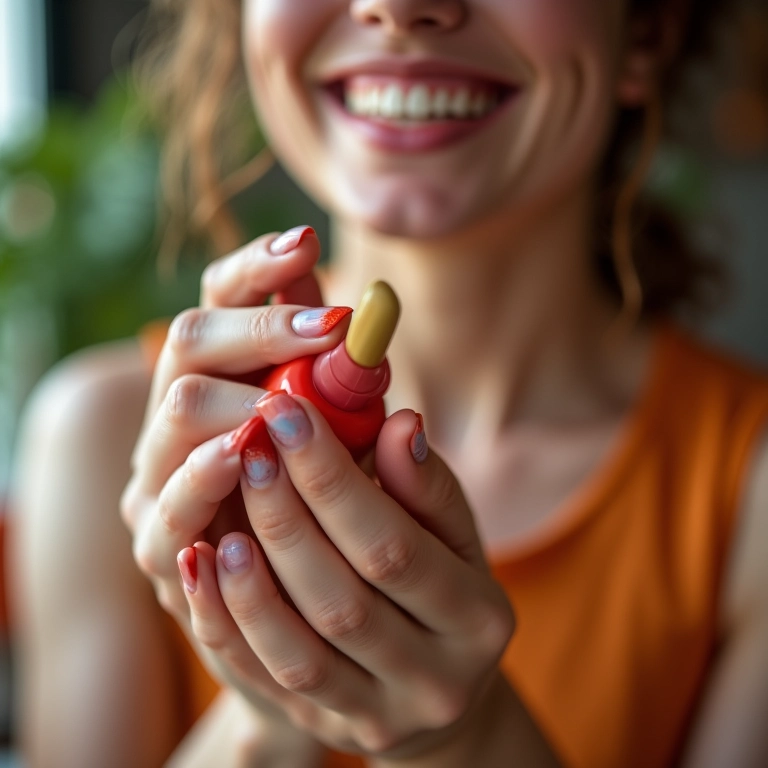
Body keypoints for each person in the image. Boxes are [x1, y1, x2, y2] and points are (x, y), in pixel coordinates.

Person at [9, 0, 768, 766]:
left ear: (646, 32)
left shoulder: (748, 491)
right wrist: (266, 714)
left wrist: (464, 741)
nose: (399, 7)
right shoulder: (99, 436)